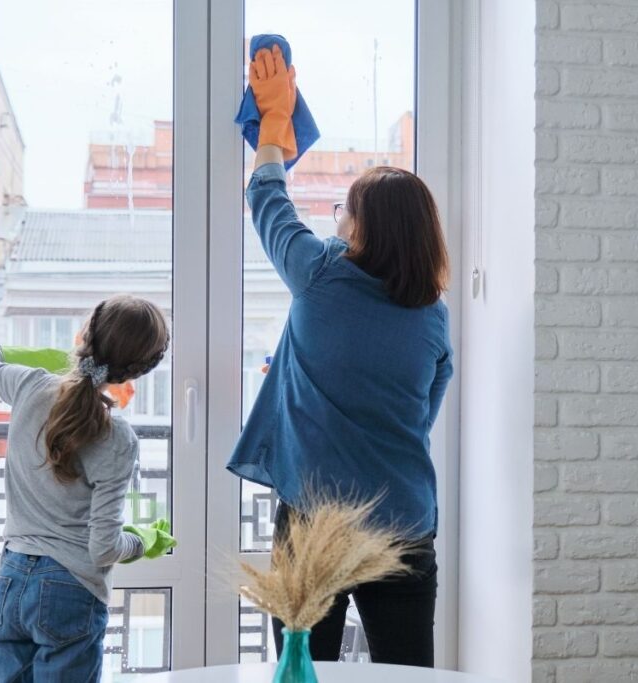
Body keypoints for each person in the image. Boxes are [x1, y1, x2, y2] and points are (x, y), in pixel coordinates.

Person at [227, 46, 454, 667]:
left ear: (360, 227)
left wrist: (274, 129)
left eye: (345, 213)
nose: (340, 223)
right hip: (404, 524)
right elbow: (424, 411)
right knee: (408, 676)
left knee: (303, 672)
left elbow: (268, 201)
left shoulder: (320, 274)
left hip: (311, 522)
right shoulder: (432, 314)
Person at [0, 294, 172, 682]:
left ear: (84, 337)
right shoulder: (117, 437)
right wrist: (143, 541)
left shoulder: (30, 385)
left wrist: (48, 359)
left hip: (10, 580)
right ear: (140, 370)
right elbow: (104, 548)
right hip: (70, 588)